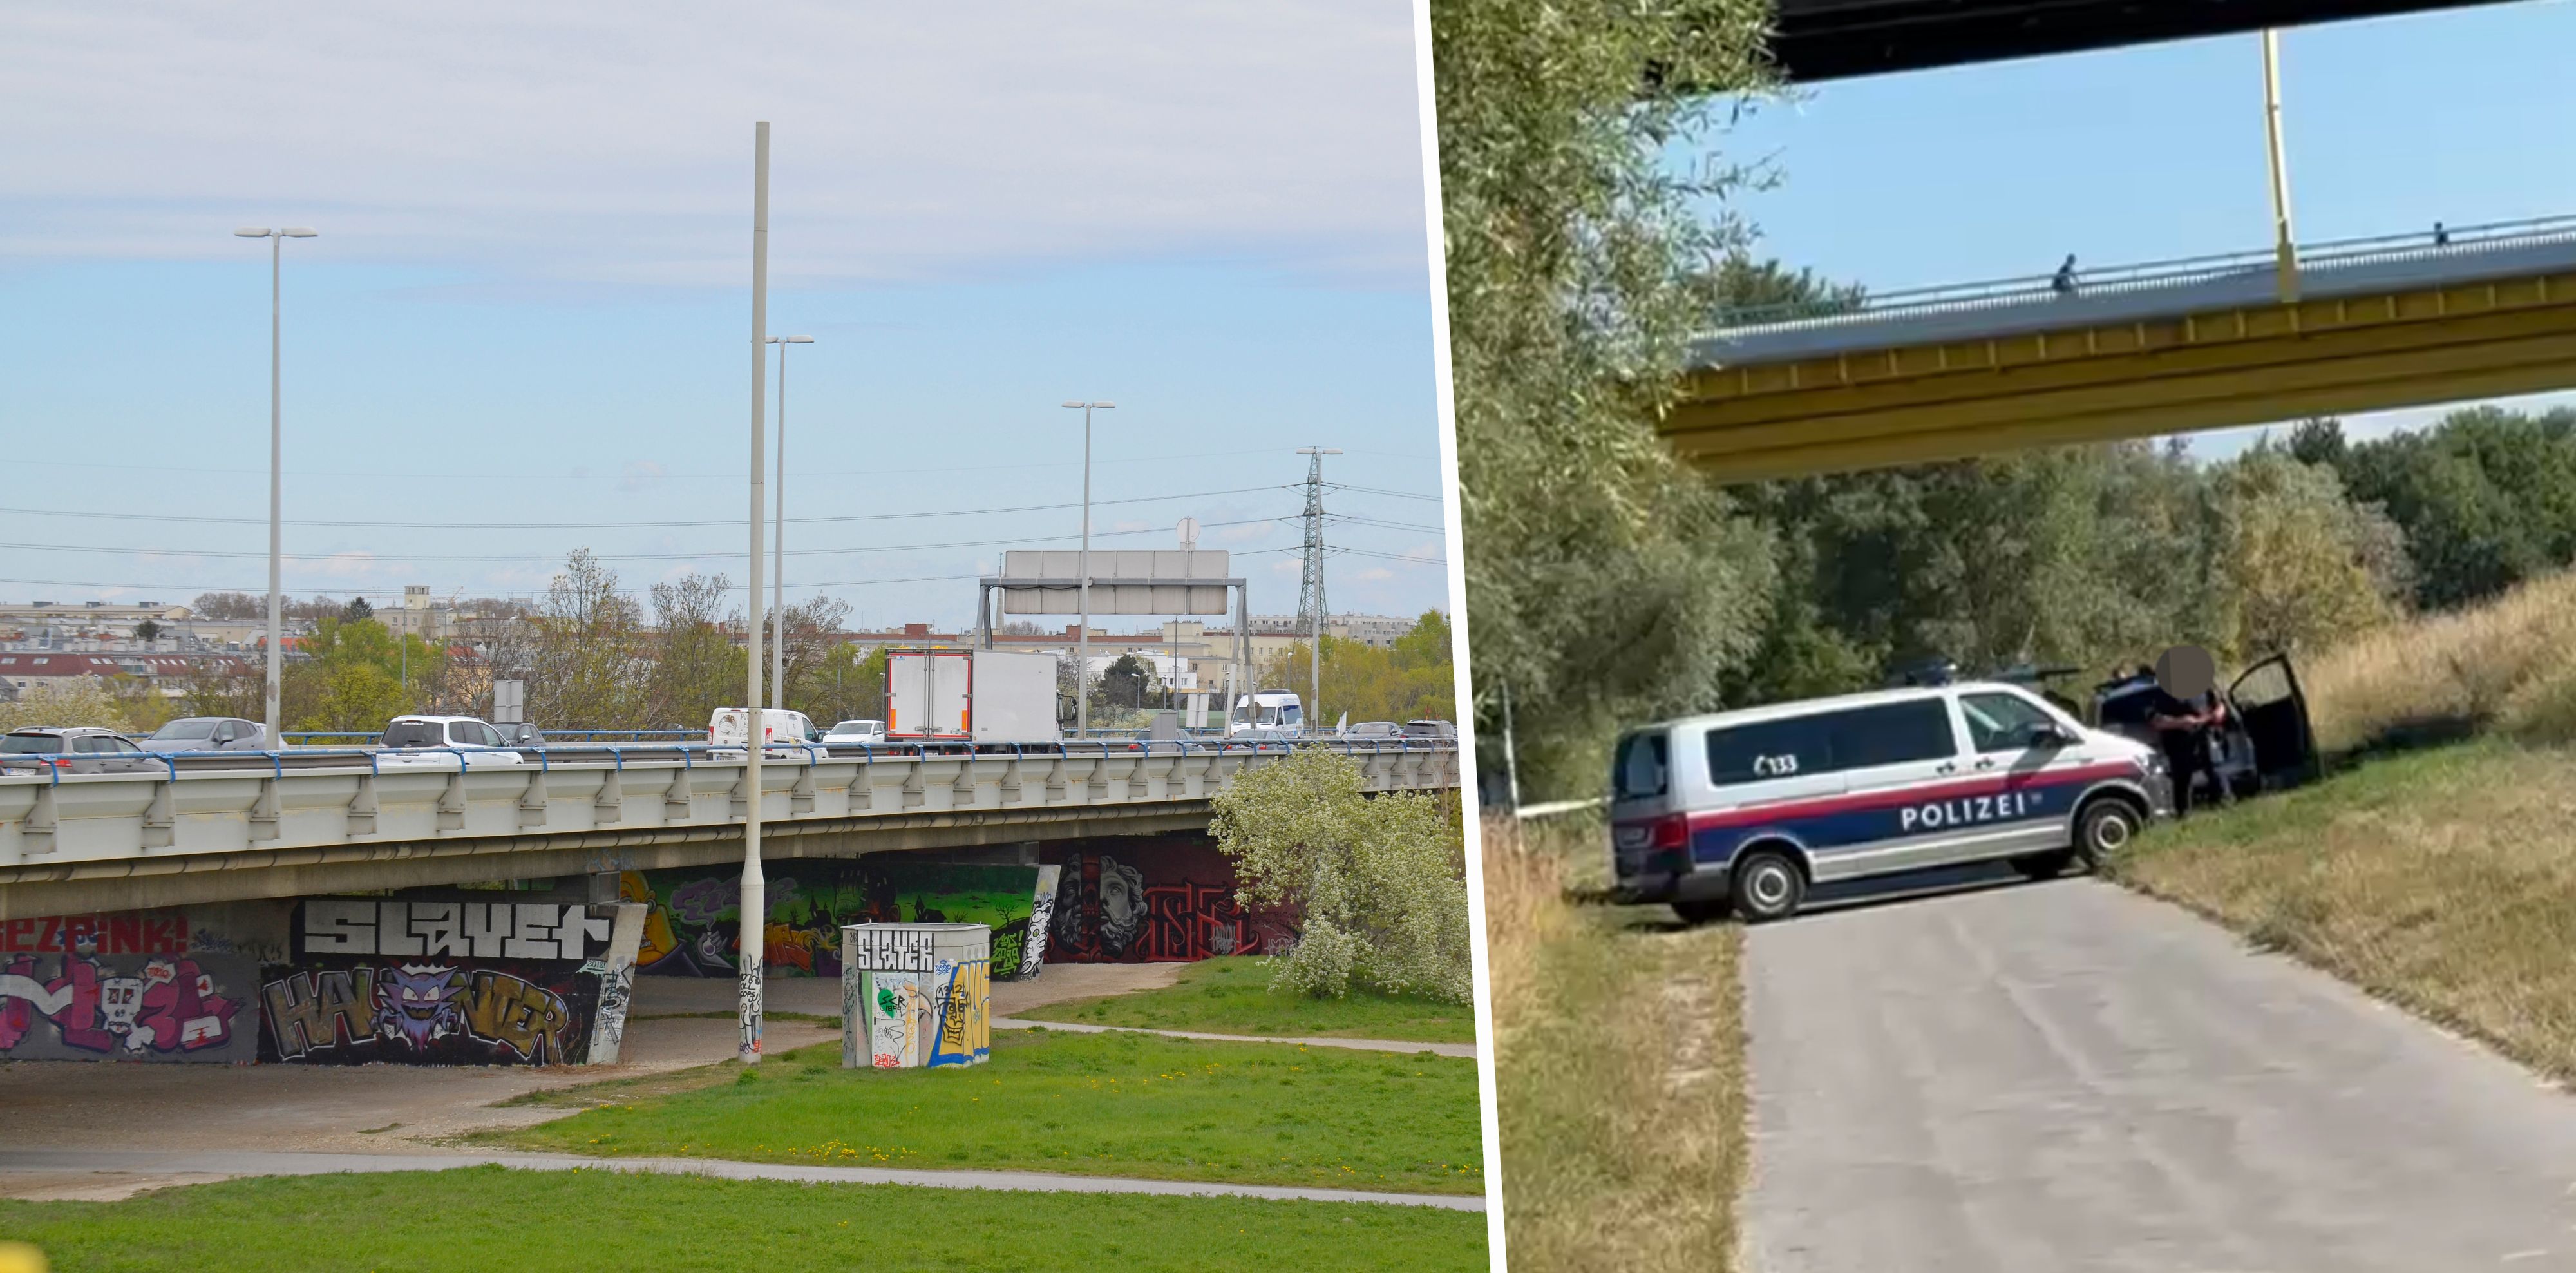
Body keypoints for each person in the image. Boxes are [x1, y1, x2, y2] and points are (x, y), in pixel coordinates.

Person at [2145, 646, 2230, 818]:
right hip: (2179, 741)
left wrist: (2218, 714)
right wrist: (2180, 723)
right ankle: (2184, 815)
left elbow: (2220, 705)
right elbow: (2156, 721)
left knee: (2216, 771)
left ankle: (2226, 804)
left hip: (2205, 735)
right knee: (2183, 779)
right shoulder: (2162, 693)